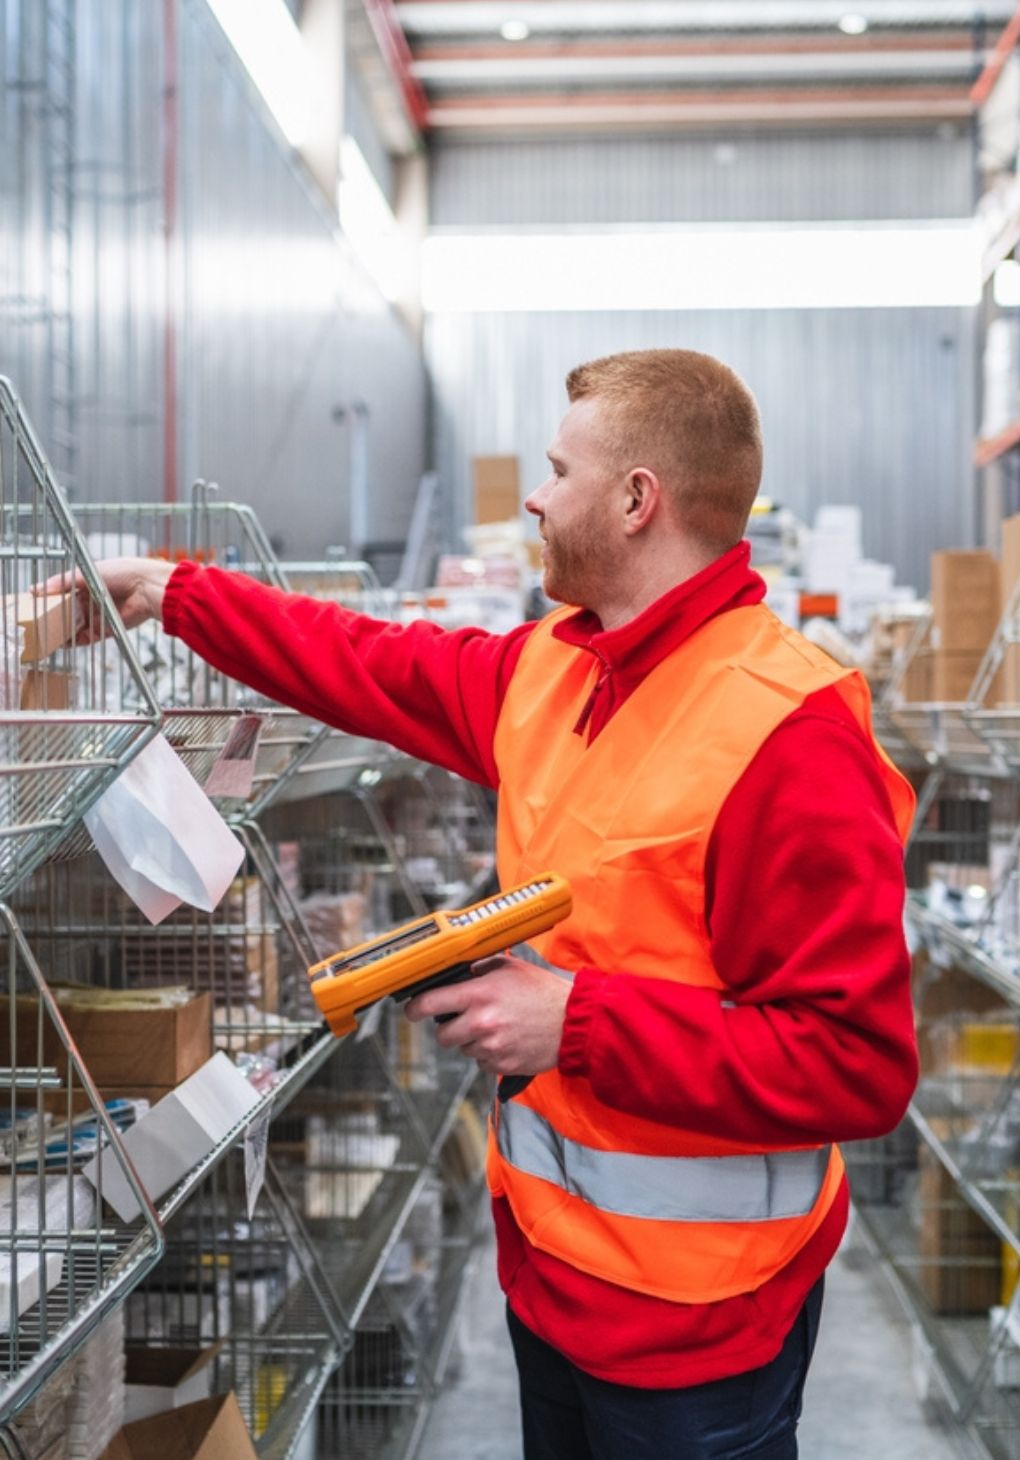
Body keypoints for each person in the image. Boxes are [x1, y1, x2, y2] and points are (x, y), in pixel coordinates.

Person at [78, 349, 917, 1460]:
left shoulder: (787, 729)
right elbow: (369, 662)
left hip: (701, 1323)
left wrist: (570, 1022)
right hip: (547, 1271)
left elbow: (855, 1060)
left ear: (635, 501)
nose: (531, 494)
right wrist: (175, 596)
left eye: (556, 468)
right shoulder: (558, 671)